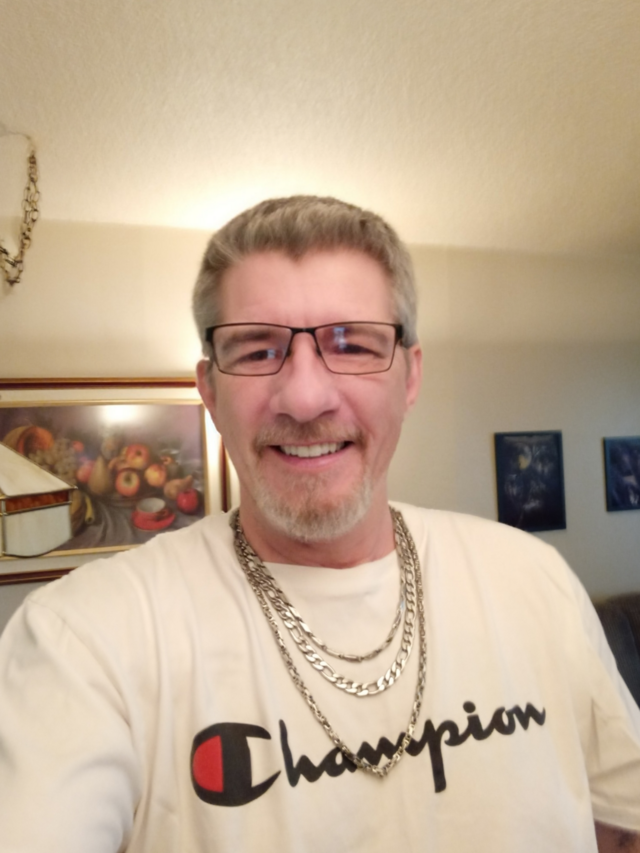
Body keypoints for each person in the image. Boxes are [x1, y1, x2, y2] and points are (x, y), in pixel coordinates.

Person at [0, 195, 639, 853]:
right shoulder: (83, 638)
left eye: (352, 344)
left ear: (410, 376)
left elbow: (621, 827)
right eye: (257, 350)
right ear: (210, 391)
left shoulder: (533, 579)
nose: (305, 398)